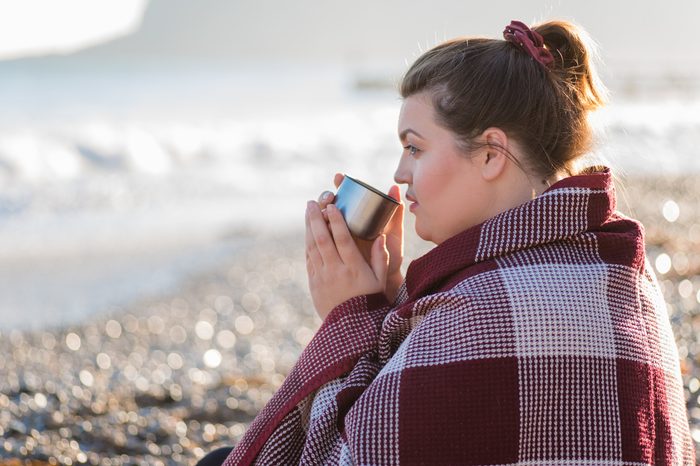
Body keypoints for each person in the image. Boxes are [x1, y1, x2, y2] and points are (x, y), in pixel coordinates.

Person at [200, 19, 695, 465]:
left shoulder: (475, 311)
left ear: (490, 155)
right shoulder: (620, 268)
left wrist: (347, 318)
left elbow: (343, 457)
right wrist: (390, 309)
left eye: (414, 147)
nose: (400, 172)